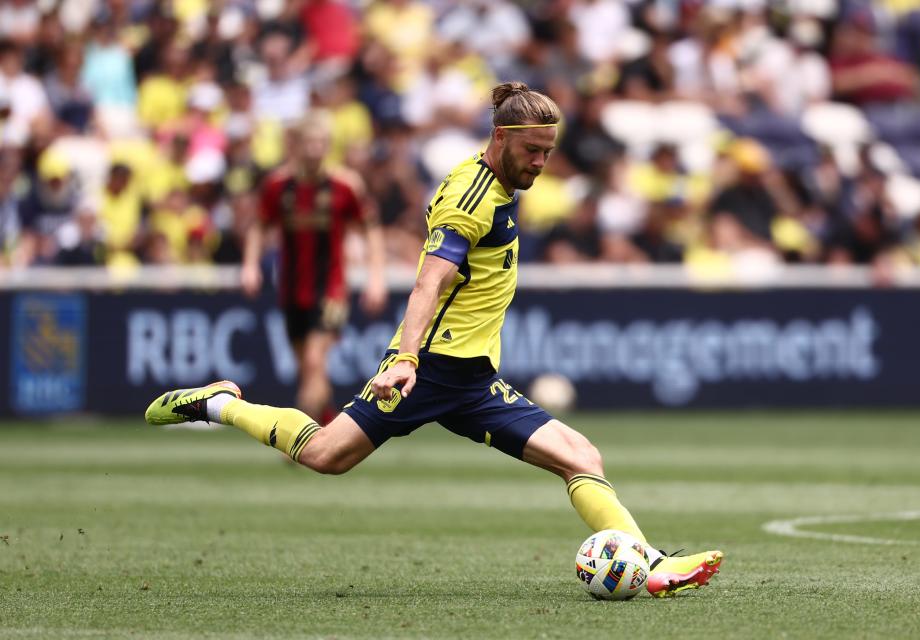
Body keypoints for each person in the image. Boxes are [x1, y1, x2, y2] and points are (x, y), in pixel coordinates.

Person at [145, 83, 722, 598]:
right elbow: (430, 279)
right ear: (501, 138)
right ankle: (219, 402)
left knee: (581, 457)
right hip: (430, 369)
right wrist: (403, 357)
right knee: (325, 455)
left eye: (549, 151)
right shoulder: (471, 200)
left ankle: (651, 566)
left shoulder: (494, 182)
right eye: (533, 151)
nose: (542, 163)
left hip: (472, 379)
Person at [241, 109, 387, 424]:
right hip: (291, 288)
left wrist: (376, 279)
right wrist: (250, 265)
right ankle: (329, 424)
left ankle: (300, 439)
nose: (315, 149)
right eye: (310, 142)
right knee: (309, 368)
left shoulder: (345, 185)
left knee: (313, 359)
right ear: (296, 144)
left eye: (322, 142)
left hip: (331, 288)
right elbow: (258, 225)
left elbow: (371, 230)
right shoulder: (278, 185)